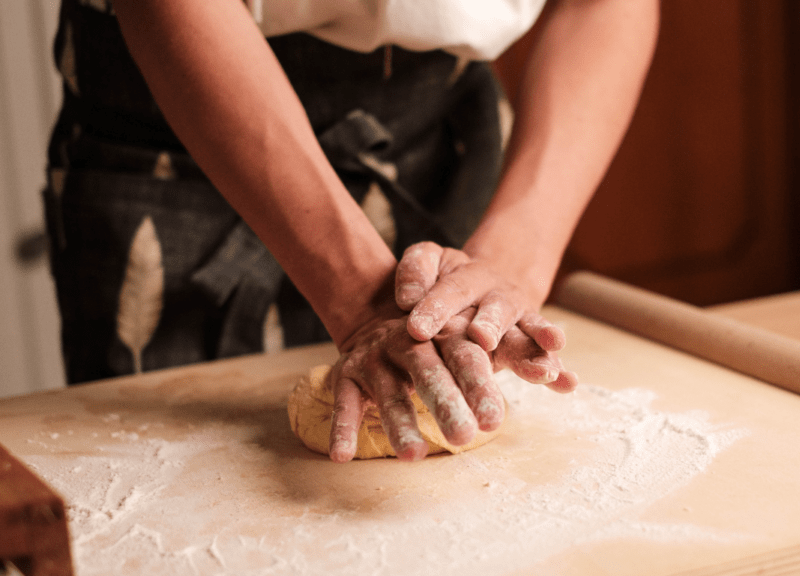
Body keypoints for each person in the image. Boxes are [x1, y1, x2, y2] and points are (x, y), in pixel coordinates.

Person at [43, 0, 659, 462]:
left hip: (438, 130)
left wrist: (511, 257)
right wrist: (363, 301)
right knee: (165, 468)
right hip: (186, 127)